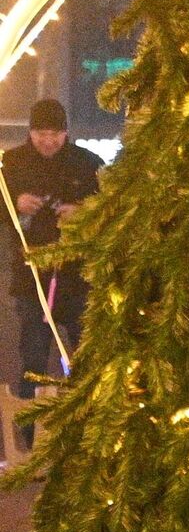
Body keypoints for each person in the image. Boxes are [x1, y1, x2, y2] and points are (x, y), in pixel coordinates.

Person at [5, 98, 102, 403]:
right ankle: (27, 424)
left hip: (77, 277)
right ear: (30, 132)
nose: (48, 141)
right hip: (31, 279)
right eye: (41, 134)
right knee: (32, 356)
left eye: (55, 134)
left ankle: (88, 415)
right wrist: (15, 203)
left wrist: (83, 211)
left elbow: (109, 207)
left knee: (87, 355)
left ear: (65, 133)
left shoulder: (87, 163)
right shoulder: (12, 164)